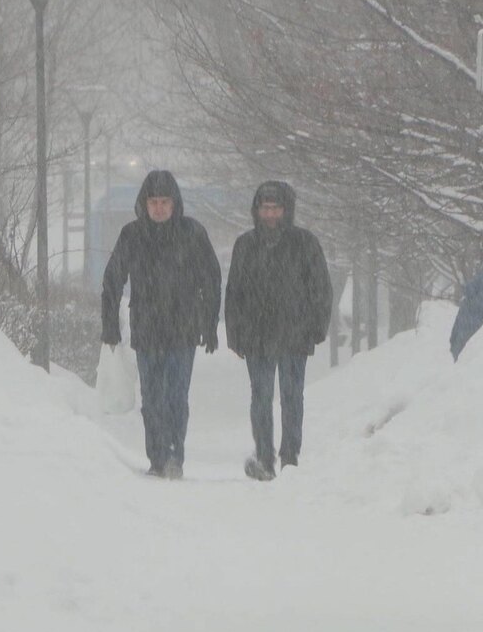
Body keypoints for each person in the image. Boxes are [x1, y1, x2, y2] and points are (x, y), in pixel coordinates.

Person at [101, 170, 221, 479]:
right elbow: (113, 280)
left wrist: (209, 323)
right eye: (153, 202)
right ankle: (156, 456)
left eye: (164, 201)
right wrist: (110, 325)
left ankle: (174, 456)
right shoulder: (132, 235)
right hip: (147, 327)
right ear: (144, 203)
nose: (158, 208)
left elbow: (211, 278)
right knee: (152, 398)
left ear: (174, 202)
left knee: (176, 397)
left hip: (183, 328)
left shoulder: (192, 233)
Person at [225, 181, 332, 481]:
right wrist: (235, 332)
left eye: (275, 208)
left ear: (287, 210)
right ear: (256, 210)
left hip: (295, 333)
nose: (270, 214)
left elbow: (321, 288)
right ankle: (264, 457)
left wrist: (316, 327)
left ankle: (290, 457)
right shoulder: (245, 245)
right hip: (256, 335)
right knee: (260, 397)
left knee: (291, 396)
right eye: (265, 208)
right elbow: (234, 292)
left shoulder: (305, 243)